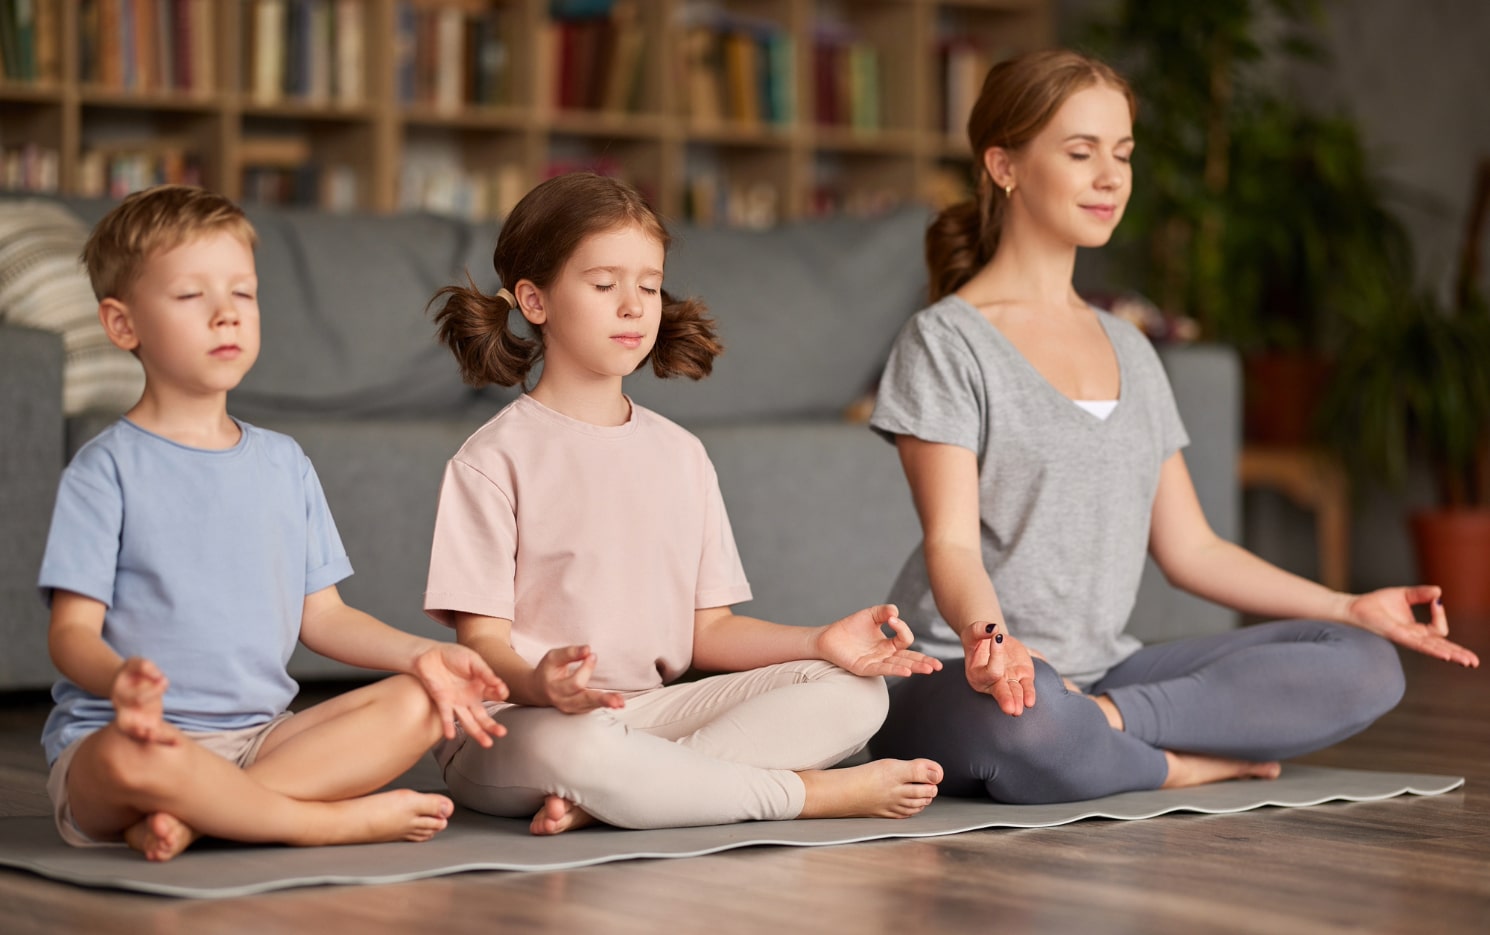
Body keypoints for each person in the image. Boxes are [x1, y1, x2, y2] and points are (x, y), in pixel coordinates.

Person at [866, 50, 1480, 804]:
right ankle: (1177, 765)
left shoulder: (1130, 346)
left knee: (1365, 661)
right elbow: (951, 543)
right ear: (1004, 165)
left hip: (1098, 673)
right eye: (1080, 152)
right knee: (1018, 726)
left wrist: (1345, 605)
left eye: (1123, 154)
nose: (1110, 177)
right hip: (962, 673)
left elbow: (1192, 548)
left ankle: (1102, 728)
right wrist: (991, 645)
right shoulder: (946, 341)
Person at [423, 172, 944, 835]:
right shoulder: (491, 458)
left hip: (646, 713)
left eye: (648, 285)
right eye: (604, 284)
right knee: (582, 747)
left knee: (855, 690)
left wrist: (821, 641)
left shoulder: (682, 454)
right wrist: (539, 687)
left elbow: (710, 632)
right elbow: (483, 643)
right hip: (519, 725)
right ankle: (804, 794)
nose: (634, 307)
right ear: (534, 300)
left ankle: (629, 793)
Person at [39, 185, 510, 862]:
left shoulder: (284, 463)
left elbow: (323, 617)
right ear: (122, 324)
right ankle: (321, 821)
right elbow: (70, 633)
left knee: (425, 701)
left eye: (243, 293)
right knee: (127, 757)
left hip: (262, 739)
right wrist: (122, 684)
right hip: (134, 740)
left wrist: (421, 654)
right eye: (191, 296)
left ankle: (201, 818)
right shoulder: (104, 469)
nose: (226, 315)